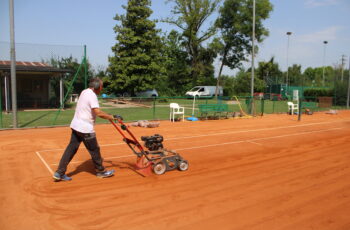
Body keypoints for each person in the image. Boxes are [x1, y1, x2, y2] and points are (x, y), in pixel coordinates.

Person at [53, 78, 120, 181]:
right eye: (101, 87)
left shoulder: (84, 91)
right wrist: (112, 117)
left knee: (71, 149)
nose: (101, 89)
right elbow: (98, 112)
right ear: (98, 87)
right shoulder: (92, 96)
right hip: (85, 129)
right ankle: (101, 171)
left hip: (76, 126)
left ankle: (59, 173)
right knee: (95, 150)